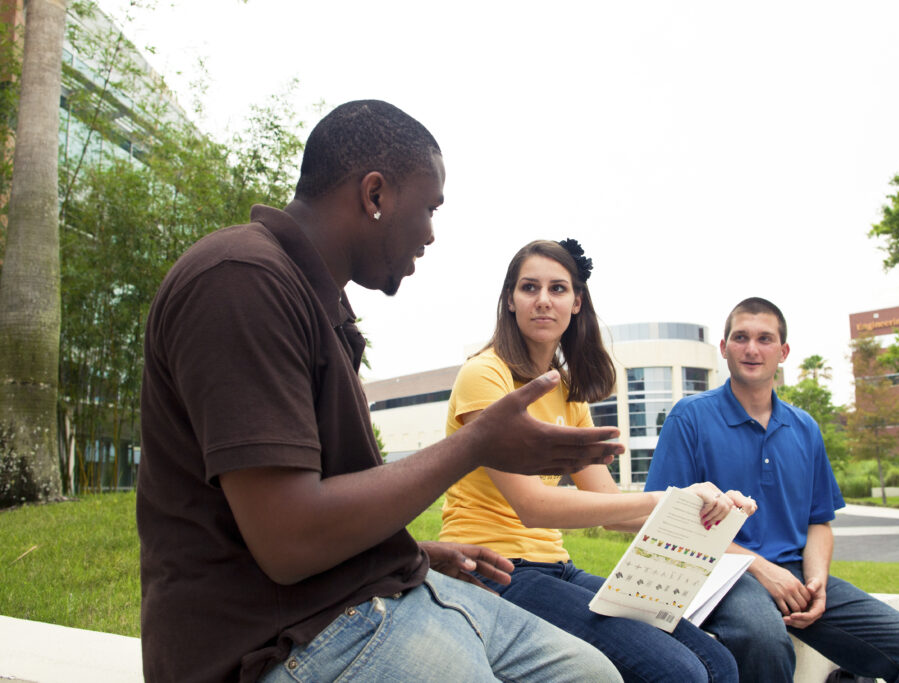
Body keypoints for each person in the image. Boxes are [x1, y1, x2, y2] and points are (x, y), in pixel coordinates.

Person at [137, 101, 627, 683]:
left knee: (591, 674)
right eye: (428, 208)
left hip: (376, 587)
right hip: (272, 640)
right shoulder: (240, 280)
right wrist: (476, 445)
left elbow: (325, 495)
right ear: (375, 196)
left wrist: (412, 551)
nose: (430, 234)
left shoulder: (321, 304)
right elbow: (289, 540)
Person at [439, 239, 757, 683]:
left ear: (577, 302)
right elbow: (534, 507)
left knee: (717, 662)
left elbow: (608, 506)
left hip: (554, 565)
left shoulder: (567, 391)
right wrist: (664, 499)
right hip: (492, 569)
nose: (544, 300)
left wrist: (702, 508)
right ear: (510, 300)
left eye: (558, 288)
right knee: (678, 673)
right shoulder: (485, 374)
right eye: (530, 288)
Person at [644, 297, 899, 683]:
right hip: (719, 574)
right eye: (740, 337)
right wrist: (763, 569)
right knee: (763, 640)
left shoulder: (804, 427)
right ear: (724, 349)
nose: (752, 349)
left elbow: (819, 522)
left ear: (783, 351)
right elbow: (670, 521)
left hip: (795, 576)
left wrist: (817, 582)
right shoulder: (689, 417)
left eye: (765, 338)